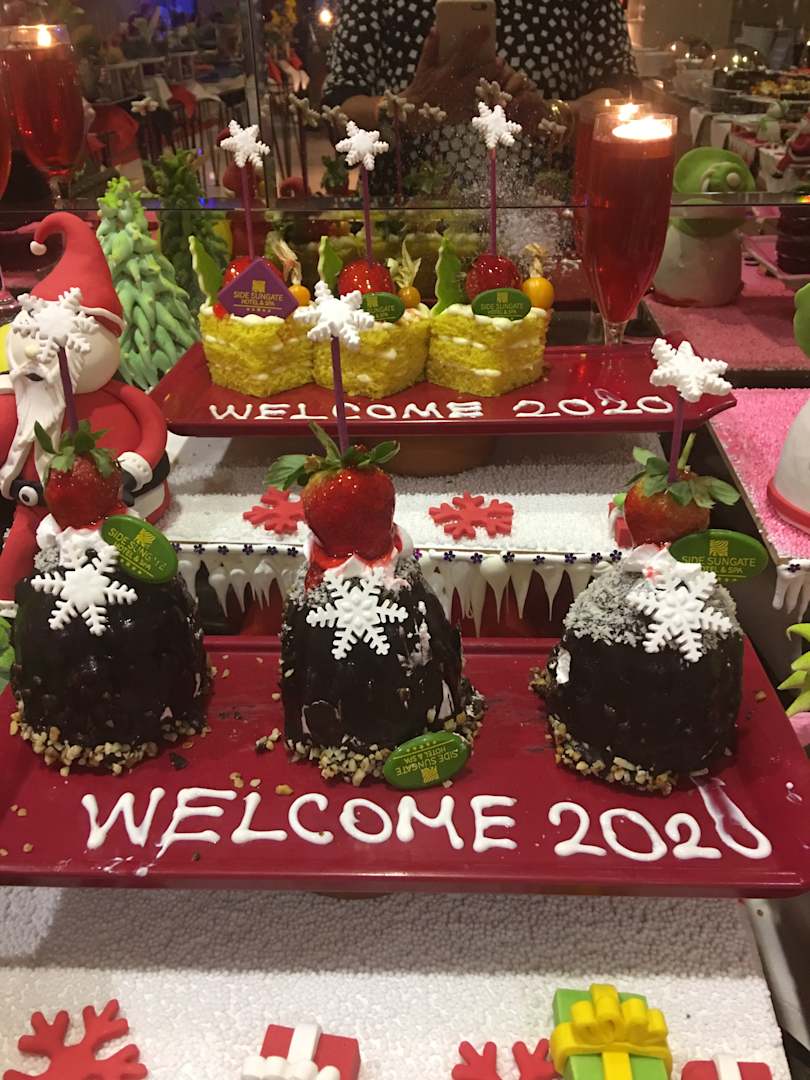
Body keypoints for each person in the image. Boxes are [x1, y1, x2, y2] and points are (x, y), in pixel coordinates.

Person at [322, 0, 638, 194]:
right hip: (404, 234)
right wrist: (406, 109)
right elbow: (336, 111)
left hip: (551, 228)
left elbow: (624, 100)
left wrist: (553, 117)